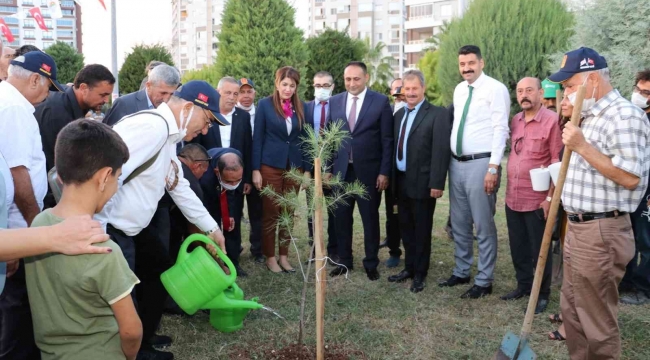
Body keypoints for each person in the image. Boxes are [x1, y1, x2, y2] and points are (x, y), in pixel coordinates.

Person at [96, 80, 229, 360]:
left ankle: (144, 336)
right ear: (190, 107)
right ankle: (131, 350)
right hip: (113, 229)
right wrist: (98, 228)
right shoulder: (151, 128)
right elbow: (106, 176)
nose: (205, 130)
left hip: (134, 228)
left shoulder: (168, 136)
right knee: (124, 294)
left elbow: (177, 184)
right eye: (206, 121)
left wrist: (212, 228)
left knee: (158, 272)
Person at [549, 47, 650, 359]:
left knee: (597, 321)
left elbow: (632, 177)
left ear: (592, 80)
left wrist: (581, 145)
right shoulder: (589, 115)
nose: (564, 92)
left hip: (602, 231)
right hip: (578, 228)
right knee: (573, 310)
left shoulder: (624, 116)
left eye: (569, 85)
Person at [25, 119, 142, 360]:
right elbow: (131, 331)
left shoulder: (38, 227)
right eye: (117, 178)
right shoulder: (102, 249)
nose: (116, 187)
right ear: (104, 176)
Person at [0, 50, 64, 359]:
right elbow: (17, 172)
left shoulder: (9, 100)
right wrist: (29, 226)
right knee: (15, 308)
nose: (49, 94)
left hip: (10, 223)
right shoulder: (14, 107)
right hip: (15, 223)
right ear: (35, 78)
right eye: (49, 86)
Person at [440, 45, 510, 299]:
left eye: (471, 63)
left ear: (482, 62)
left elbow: (501, 128)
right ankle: (461, 270)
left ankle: (484, 279)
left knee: (483, 224)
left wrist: (493, 167)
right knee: (458, 222)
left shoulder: (495, 88)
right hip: (456, 164)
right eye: (462, 64)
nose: (466, 68)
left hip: (482, 164)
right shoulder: (460, 90)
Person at [327, 61, 393, 281]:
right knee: (341, 220)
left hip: (369, 173)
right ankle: (345, 261)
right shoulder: (334, 102)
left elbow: (387, 140)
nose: (352, 83)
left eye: (356, 78)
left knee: (370, 219)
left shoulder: (381, 101)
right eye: (348, 79)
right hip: (341, 173)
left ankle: (371, 262)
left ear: (366, 78)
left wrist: (384, 172)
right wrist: (327, 168)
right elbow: (330, 138)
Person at [501, 77, 563, 314]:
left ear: (539, 93)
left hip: (537, 200)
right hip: (513, 196)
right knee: (518, 246)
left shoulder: (552, 121)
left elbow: (557, 162)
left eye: (529, 90)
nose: (524, 95)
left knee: (540, 248)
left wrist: (549, 198)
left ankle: (542, 293)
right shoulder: (516, 120)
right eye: (519, 91)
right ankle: (524, 286)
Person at [387, 70, 451, 293]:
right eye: (407, 88)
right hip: (401, 181)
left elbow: (440, 151)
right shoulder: (398, 115)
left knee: (422, 230)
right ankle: (409, 267)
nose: (411, 92)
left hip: (424, 183)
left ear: (423, 88)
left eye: (415, 88)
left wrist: (437, 183)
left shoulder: (437, 114)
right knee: (405, 227)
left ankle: (420, 274)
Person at [252, 66, 312, 274]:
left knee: (288, 213)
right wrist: (255, 169)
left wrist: (307, 170)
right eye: (284, 84)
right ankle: (270, 257)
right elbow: (257, 138)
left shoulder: (302, 107)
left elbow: (306, 141)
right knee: (271, 213)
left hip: (294, 167)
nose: (288, 89)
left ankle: (284, 256)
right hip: (270, 166)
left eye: (292, 85)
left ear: (296, 87)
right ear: (277, 84)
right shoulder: (265, 105)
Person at [192, 77, 252, 268]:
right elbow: (196, 146)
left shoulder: (242, 117)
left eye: (236, 93)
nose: (232, 97)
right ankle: (211, 261)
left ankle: (233, 261)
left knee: (233, 218)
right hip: (209, 176)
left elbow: (248, 148)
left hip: (233, 177)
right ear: (218, 93)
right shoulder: (207, 114)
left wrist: (247, 177)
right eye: (228, 93)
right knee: (210, 217)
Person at [35, 64, 115, 208]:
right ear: (83, 88)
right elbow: (54, 169)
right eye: (102, 95)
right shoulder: (58, 114)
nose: (105, 101)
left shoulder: (71, 108)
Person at [619, 68, 650, 306]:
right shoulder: (631, 116)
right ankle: (625, 281)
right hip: (629, 189)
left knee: (646, 240)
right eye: (638, 89)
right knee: (627, 236)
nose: (640, 95)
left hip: (647, 192)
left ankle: (643, 287)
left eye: (646, 92)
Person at [303, 71, 338, 263]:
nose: (321, 89)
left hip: (332, 169)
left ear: (332, 87)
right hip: (311, 168)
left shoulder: (339, 107)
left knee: (334, 210)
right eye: (318, 85)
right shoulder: (306, 108)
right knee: (312, 210)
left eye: (326, 85)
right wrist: (307, 169)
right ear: (312, 87)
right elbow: (303, 140)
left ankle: (333, 249)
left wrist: (332, 168)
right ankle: (314, 248)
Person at [200, 148, 246, 274]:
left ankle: (233, 262)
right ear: (217, 172)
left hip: (231, 194)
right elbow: (206, 208)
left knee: (232, 224)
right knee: (212, 226)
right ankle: (214, 263)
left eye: (238, 180)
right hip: (209, 197)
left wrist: (229, 214)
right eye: (229, 181)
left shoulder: (238, 158)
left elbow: (232, 190)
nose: (234, 183)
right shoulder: (206, 175)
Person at [236, 78, 264, 263]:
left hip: (259, 171)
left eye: (249, 91)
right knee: (235, 211)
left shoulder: (262, 112)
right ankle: (234, 248)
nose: (246, 96)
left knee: (258, 212)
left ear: (254, 93)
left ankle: (258, 249)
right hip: (237, 171)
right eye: (242, 92)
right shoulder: (232, 114)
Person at [104, 64, 180, 125]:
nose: (166, 99)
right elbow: (109, 137)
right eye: (163, 93)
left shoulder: (173, 108)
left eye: (171, 94)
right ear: (149, 86)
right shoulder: (124, 104)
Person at [380, 80, 404, 269]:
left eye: (403, 89)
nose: (400, 95)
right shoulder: (387, 111)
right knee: (392, 213)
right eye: (396, 91)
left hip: (411, 173)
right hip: (392, 173)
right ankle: (394, 248)